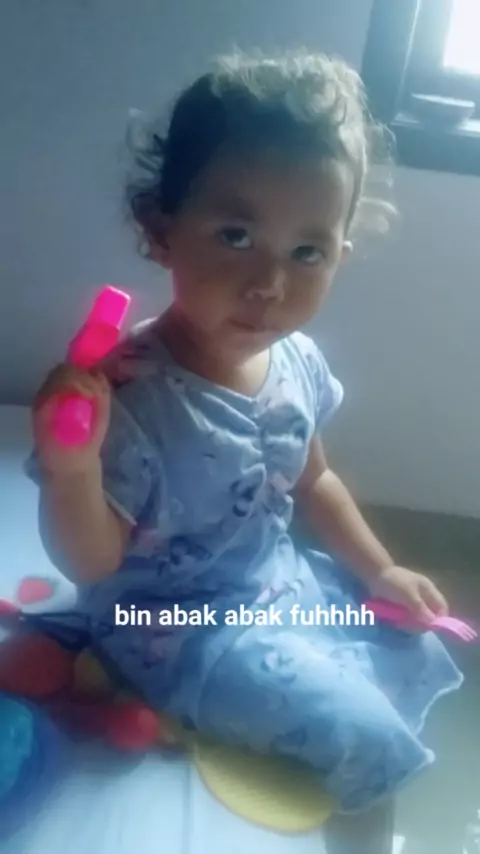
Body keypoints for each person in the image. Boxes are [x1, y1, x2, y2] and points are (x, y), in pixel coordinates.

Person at [28, 52, 462, 812]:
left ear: (339, 257)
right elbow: (92, 563)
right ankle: (168, 698)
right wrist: (74, 470)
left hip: (277, 583)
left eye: (307, 252)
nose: (270, 284)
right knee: (358, 728)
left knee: (409, 637)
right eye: (235, 235)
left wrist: (379, 570)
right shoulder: (133, 398)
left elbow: (315, 479)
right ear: (161, 230)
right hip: (173, 628)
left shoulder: (297, 360)